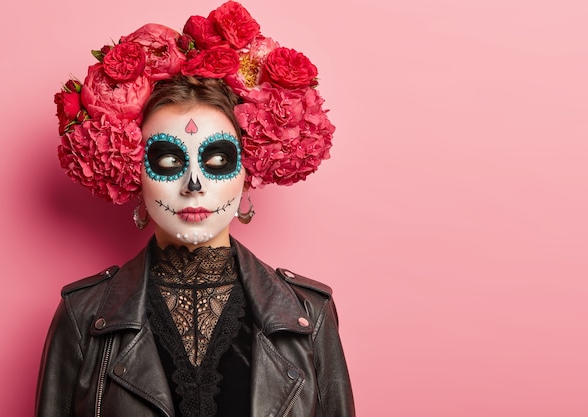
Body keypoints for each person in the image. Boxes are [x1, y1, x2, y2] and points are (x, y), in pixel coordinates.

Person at [36, 2, 355, 416]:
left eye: (218, 161)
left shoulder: (309, 314)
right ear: (133, 170)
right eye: (168, 161)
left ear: (248, 168)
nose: (194, 184)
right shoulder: (83, 317)